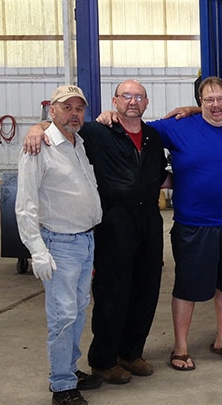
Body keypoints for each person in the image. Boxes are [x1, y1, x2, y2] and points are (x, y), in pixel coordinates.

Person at [103, 77, 222, 371]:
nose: (215, 105)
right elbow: (135, 131)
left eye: (221, 98)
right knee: (187, 287)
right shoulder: (177, 127)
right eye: (208, 100)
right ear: (200, 103)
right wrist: (112, 117)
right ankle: (181, 347)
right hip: (194, 223)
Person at [24, 80, 168, 385]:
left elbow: (159, 175)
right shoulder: (97, 132)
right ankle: (103, 360)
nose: (133, 101)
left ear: (146, 102)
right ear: (114, 101)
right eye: (126, 96)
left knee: (146, 289)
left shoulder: (154, 137)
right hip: (114, 222)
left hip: (149, 221)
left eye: (138, 96)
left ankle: (130, 353)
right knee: (112, 292)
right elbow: (61, 125)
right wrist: (35, 129)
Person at [15, 85, 103, 405]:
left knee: (77, 310)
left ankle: (68, 368)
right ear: (52, 111)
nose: (74, 113)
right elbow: (25, 204)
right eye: (67, 108)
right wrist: (36, 249)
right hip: (60, 243)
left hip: (85, 240)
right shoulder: (39, 146)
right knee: (63, 315)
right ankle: (62, 386)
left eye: (79, 108)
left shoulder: (77, 143)